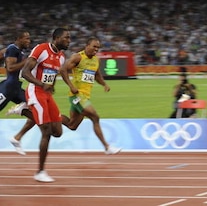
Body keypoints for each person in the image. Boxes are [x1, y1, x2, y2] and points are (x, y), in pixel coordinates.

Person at [21, 27, 71, 182]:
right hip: (35, 91)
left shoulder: (61, 57)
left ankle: (24, 110)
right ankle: (40, 172)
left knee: (58, 131)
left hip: (47, 94)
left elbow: (52, 76)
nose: (69, 41)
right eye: (66, 38)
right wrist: (42, 84)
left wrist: (51, 85)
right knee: (47, 131)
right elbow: (25, 72)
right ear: (56, 38)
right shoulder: (41, 49)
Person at [59, 37, 121, 155]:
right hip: (76, 95)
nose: (96, 49)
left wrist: (104, 84)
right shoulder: (78, 57)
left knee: (72, 125)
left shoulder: (96, 60)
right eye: (94, 46)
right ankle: (107, 147)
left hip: (85, 97)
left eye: (98, 47)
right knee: (95, 117)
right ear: (87, 46)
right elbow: (63, 70)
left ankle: (52, 116)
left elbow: (97, 75)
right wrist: (71, 86)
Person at [0, 30, 36, 155]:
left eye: (29, 38)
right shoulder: (13, 49)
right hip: (7, 89)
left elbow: (2, 53)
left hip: (15, 88)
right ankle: (19, 108)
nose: (28, 41)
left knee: (36, 112)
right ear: (18, 39)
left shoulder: (15, 50)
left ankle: (17, 138)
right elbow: (10, 68)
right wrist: (26, 62)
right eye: (26, 39)